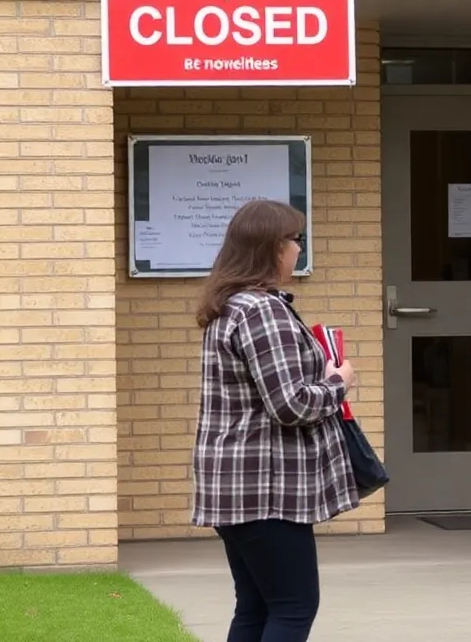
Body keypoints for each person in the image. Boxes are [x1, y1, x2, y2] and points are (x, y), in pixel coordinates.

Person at [192, 199, 359, 642]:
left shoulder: (229, 305)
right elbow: (290, 404)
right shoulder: (262, 310)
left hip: (236, 485)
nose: (299, 250)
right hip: (266, 488)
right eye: (294, 240)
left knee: (255, 607)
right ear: (270, 247)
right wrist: (338, 382)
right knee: (294, 606)